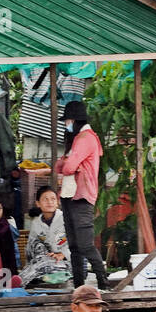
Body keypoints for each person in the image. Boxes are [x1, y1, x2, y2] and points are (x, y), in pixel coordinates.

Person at [55, 100, 110, 289]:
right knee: (74, 246)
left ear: (74, 120)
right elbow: (63, 165)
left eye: (67, 121)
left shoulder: (86, 138)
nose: (65, 125)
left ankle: (103, 281)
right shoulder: (78, 138)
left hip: (82, 196)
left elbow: (66, 166)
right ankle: (79, 284)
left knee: (85, 244)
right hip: (70, 195)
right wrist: (68, 164)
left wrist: (68, 164)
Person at [25, 186, 67, 266]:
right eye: (45, 199)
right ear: (38, 203)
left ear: (57, 203)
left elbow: (78, 243)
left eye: (53, 199)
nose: (49, 202)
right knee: (34, 243)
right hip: (47, 261)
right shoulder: (36, 223)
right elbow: (30, 248)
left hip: (68, 260)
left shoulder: (66, 219)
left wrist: (63, 255)